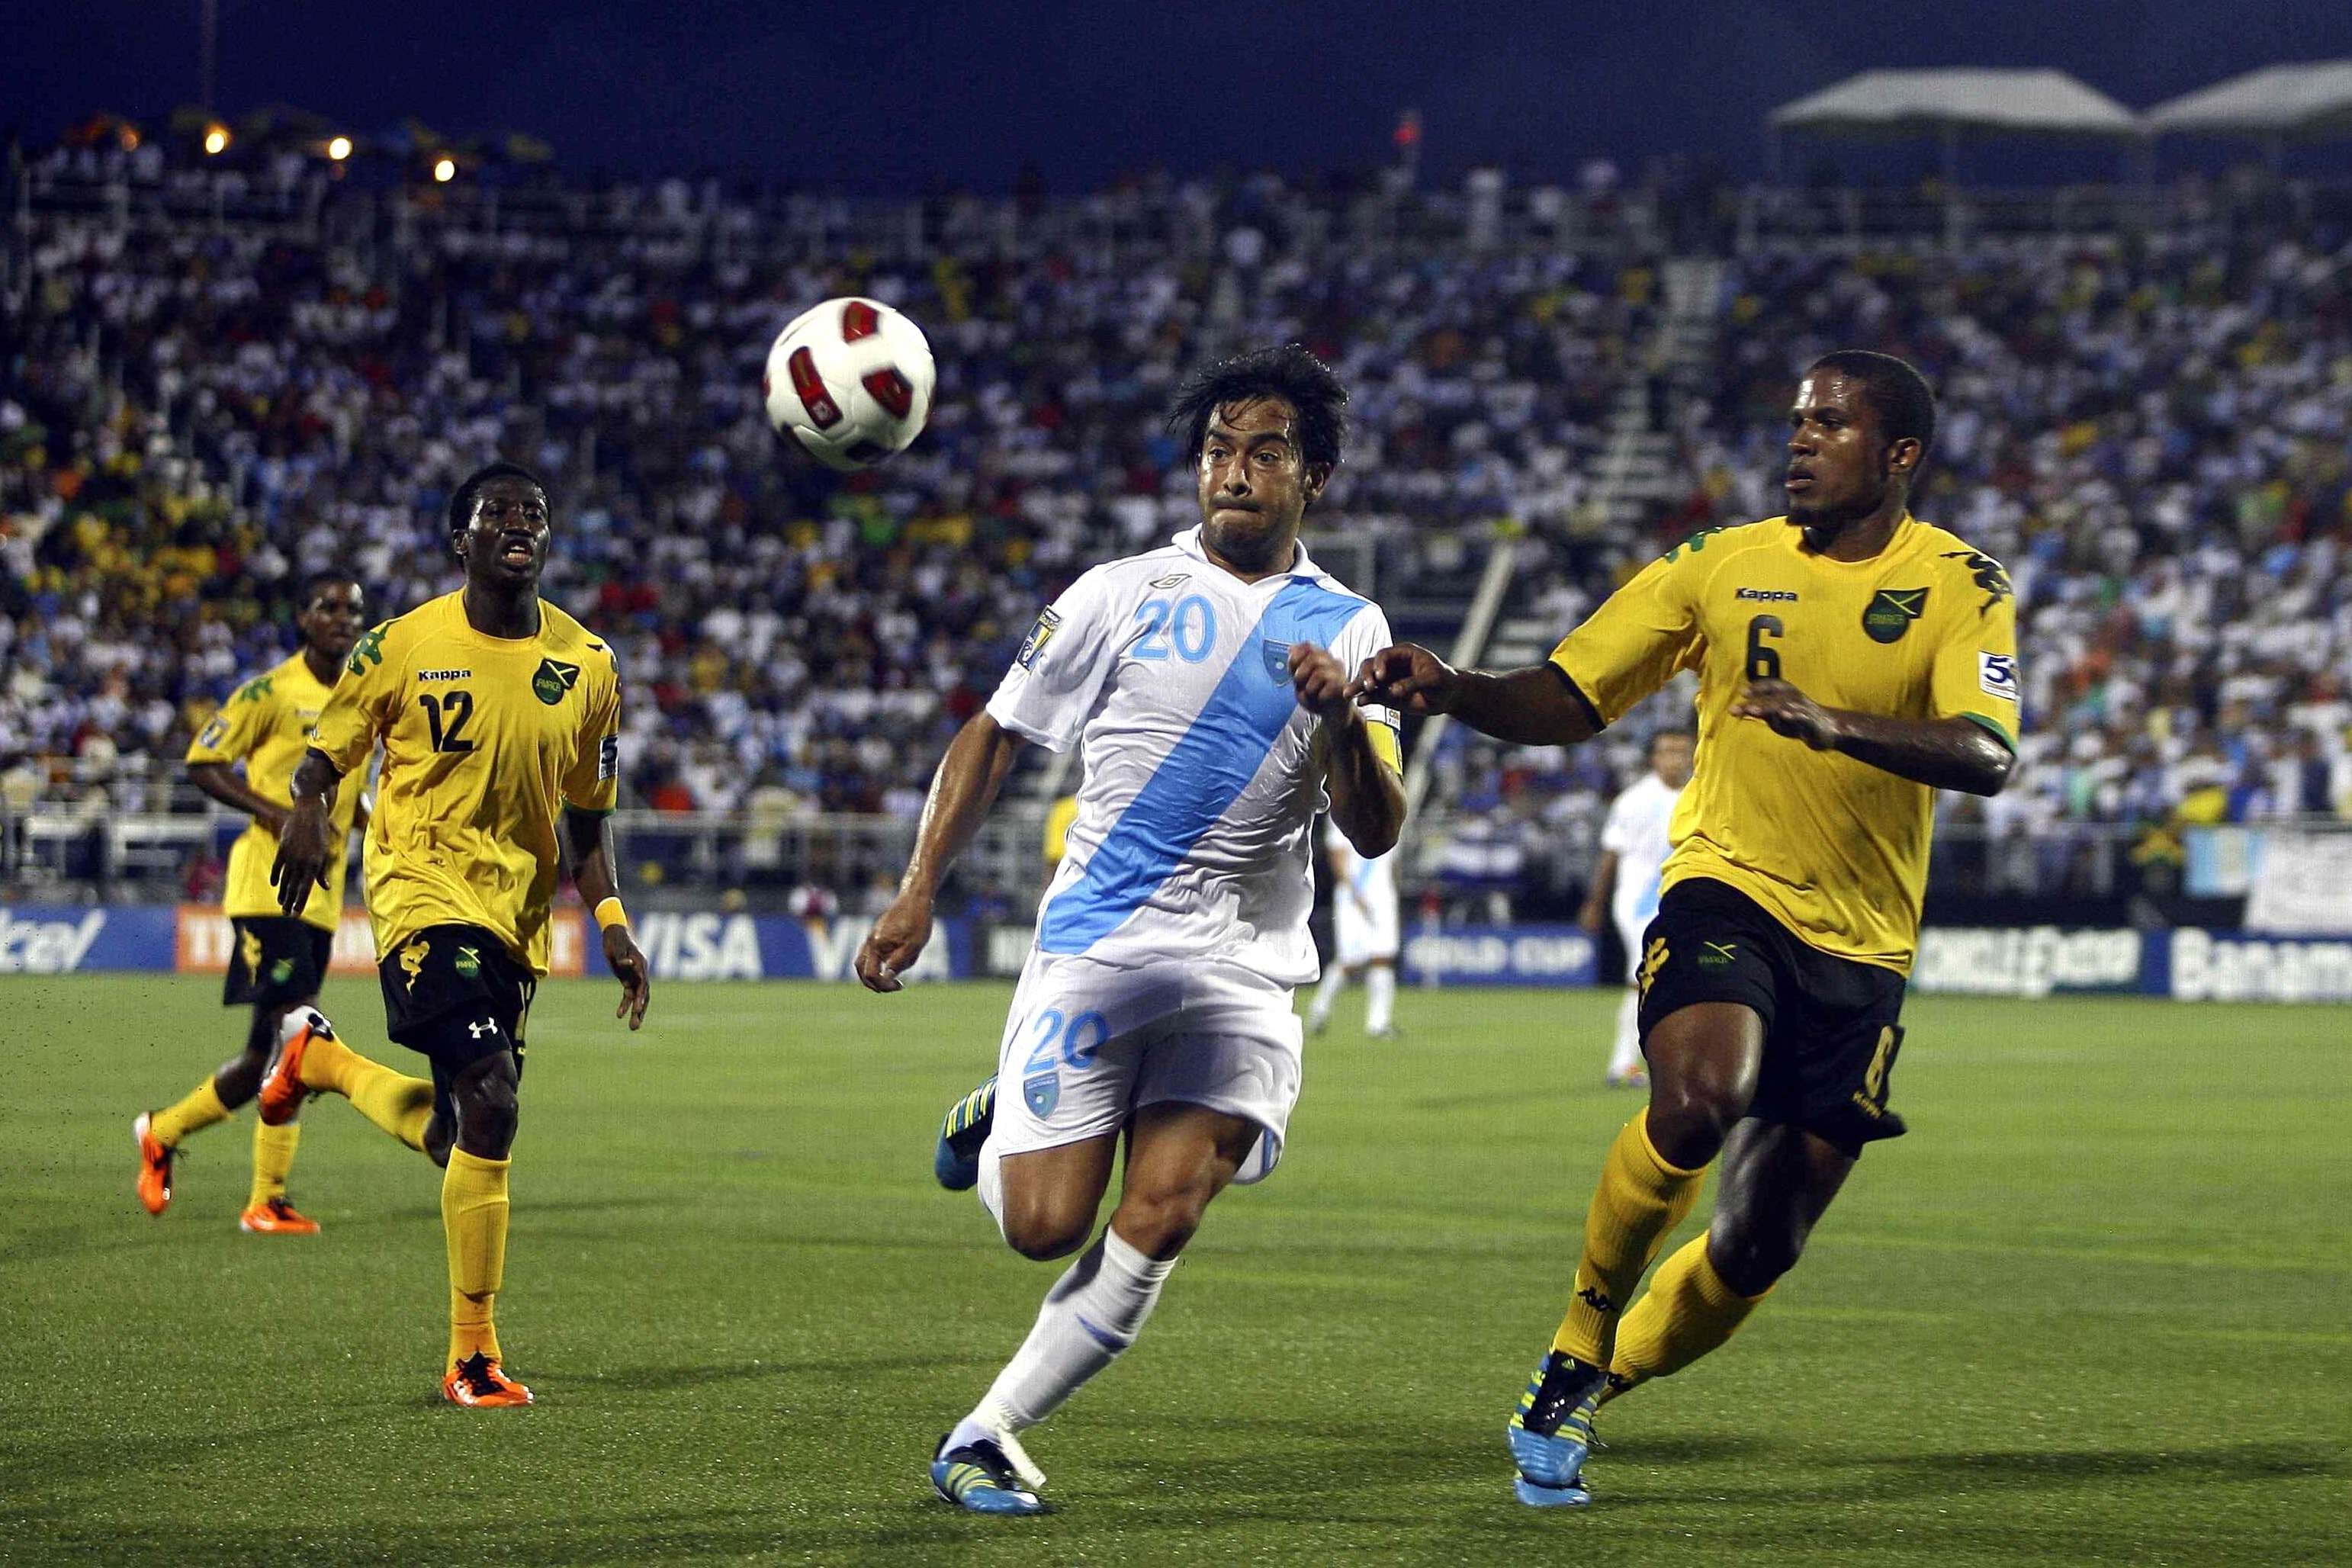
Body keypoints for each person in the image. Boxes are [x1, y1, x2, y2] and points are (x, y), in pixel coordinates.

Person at [1352, 351, 2019, 1507]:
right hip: (1727, 884)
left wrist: (1828, 721)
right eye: (1796, 419)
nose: (1799, 439)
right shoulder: (1719, 563)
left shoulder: (1964, 582)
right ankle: (1573, 1346)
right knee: (1700, 1098)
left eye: (1831, 424)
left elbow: (1988, 751)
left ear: (1900, 454)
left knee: (1760, 1245)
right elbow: (1572, 692)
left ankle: (1597, 1385)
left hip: (1862, 945)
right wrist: (1455, 684)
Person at [856, 345, 1406, 1515]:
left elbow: (1377, 829)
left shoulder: (1355, 627)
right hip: (1101, 945)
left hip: (1246, 971)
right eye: (1218, 450)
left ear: (1317, 477)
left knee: (1164, 1211)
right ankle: (1000, 1114)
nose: (1235, 473)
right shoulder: (1118, 592)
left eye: (1265, 453)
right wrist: (918, 890)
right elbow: (994, 735)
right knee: (1043, 1228)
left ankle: (988, 1433)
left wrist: (1345, 719)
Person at [262, 461, 652, 1408]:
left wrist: (612, 923)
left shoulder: (590, 667)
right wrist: (309, 804)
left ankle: (318, 1063)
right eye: (498, 512)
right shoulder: (400, 644)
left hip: (514, 916)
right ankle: (471, 1354)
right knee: (495, 1095)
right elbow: (328, 750)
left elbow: (588, 823)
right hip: (416, 889)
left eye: (536, 513)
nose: (520, 523)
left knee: (455, 1130)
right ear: (461, 538)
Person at [133, 572, 368, 1232]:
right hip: (267, 888)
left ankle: (163, 1131)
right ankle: (266, 1199)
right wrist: (276, 814)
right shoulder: (271, 692)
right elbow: (202, 761)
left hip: (322, 897)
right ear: (302, 618)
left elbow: (346, 797)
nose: (343, 620)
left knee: (266, 1053)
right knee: (297, 1036)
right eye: (328, 608)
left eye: (353, 610)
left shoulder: (362, 697)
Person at [1578, 729, 1694, 1088]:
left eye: (1680, 751)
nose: (1674, 758)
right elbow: (1610, 854)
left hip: (1677, 903)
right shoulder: (1634, 800)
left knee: (1671, 982)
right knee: (1640, 980)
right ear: (1653, 758)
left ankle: (1665, 1060)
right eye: (1666, 751)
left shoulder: (1699, 796)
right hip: (1640, 903)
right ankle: (1622, 1062)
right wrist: (1595, 903)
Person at [1304, 818, 1401, 1038]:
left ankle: (1378, 1023)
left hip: (1383, 896)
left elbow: (1393, 861)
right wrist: (1354, 892)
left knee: (1383, 957)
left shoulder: (1387, 809)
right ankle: (1320, 1008)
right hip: (1354, 897)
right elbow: (1337, 858)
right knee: (1351, 961)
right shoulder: (1345, 813)